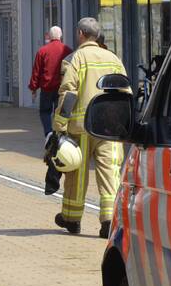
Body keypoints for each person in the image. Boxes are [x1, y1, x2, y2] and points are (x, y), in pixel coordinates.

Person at [52, 17, 128, 238]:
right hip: (110, 129)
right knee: (110, 173)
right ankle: (108, 222)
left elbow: (68, 93)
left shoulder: (76, 59)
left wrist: (60, 126)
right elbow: (125, 92)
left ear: (80, 34)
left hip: (81, 127)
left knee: (77, 174)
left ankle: (72, 219)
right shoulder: (114, 59)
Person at [29, 26, 72, 138]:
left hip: (46, 88)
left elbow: (36, 72)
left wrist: (33, 88)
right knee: (59, 113)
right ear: (60, 35)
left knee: (45, 112)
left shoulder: (42, 51)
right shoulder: (68, 50)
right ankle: (59, 133)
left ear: (49, 36)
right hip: (61, 88)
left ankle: (48, 133)